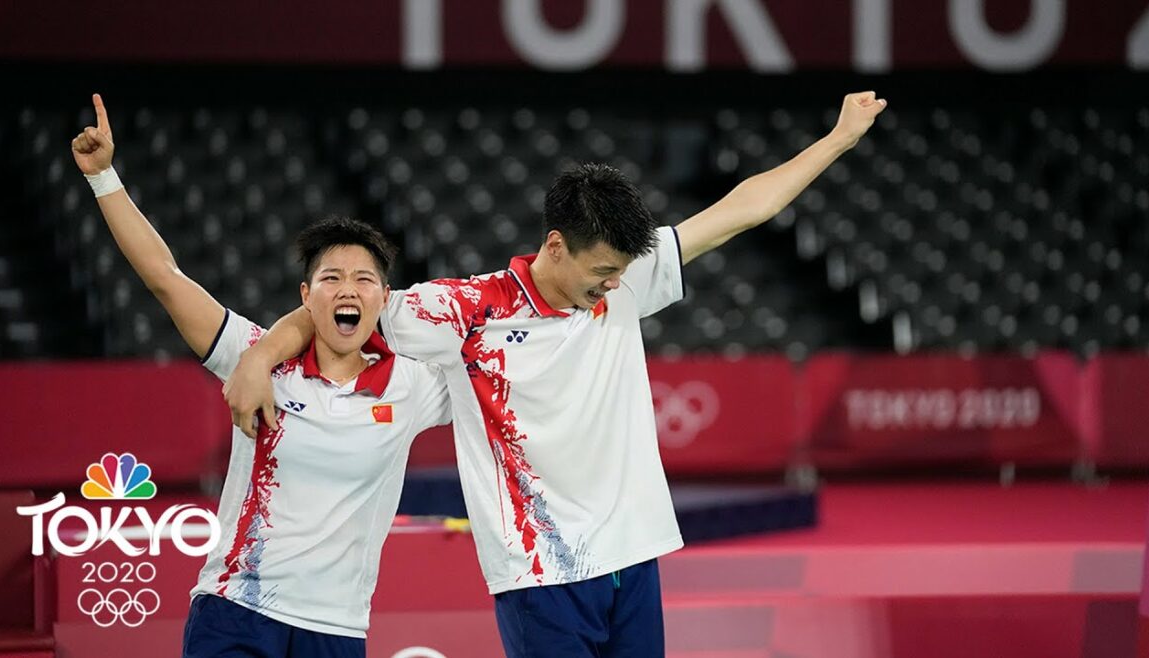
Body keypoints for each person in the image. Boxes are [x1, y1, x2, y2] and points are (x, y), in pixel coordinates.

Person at [224, 91, 888, 657]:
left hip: (632, 556)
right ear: (555, 246)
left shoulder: (627, 281)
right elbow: (343, 304)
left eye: (622, 272)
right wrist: (259, 356)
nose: (613, 286)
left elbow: (746, 207)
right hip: (538, 573)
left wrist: (837, 138)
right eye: (601, 272)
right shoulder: (464, 311)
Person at [71, 94, 451, 658]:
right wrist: (104, 178)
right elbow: (166, 279)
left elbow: (501, 358)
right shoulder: (257, 357)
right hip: (237, 611)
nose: (347, 288)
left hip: (336, 628)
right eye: (331, 278)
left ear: (385, 298)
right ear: (306, 296)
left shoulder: (413, 387)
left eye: (363, 279)